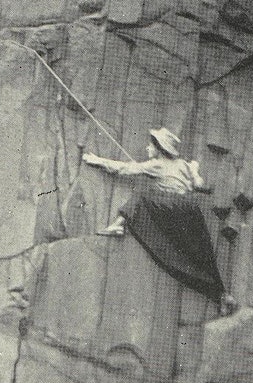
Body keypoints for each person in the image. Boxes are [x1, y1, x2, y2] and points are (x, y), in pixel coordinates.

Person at [82, 128, 236, 314]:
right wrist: (193, 170)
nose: (147, 148)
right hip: (191, 213)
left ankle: (118, 225)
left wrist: (97, 160)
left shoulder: (156, 164)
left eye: (150, 145)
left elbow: (125, 168)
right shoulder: (183, 164)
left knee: (141, 197)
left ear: (159, 148)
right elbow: (199, 185)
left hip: (171, 209)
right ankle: (222, 296)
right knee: (201, 258)